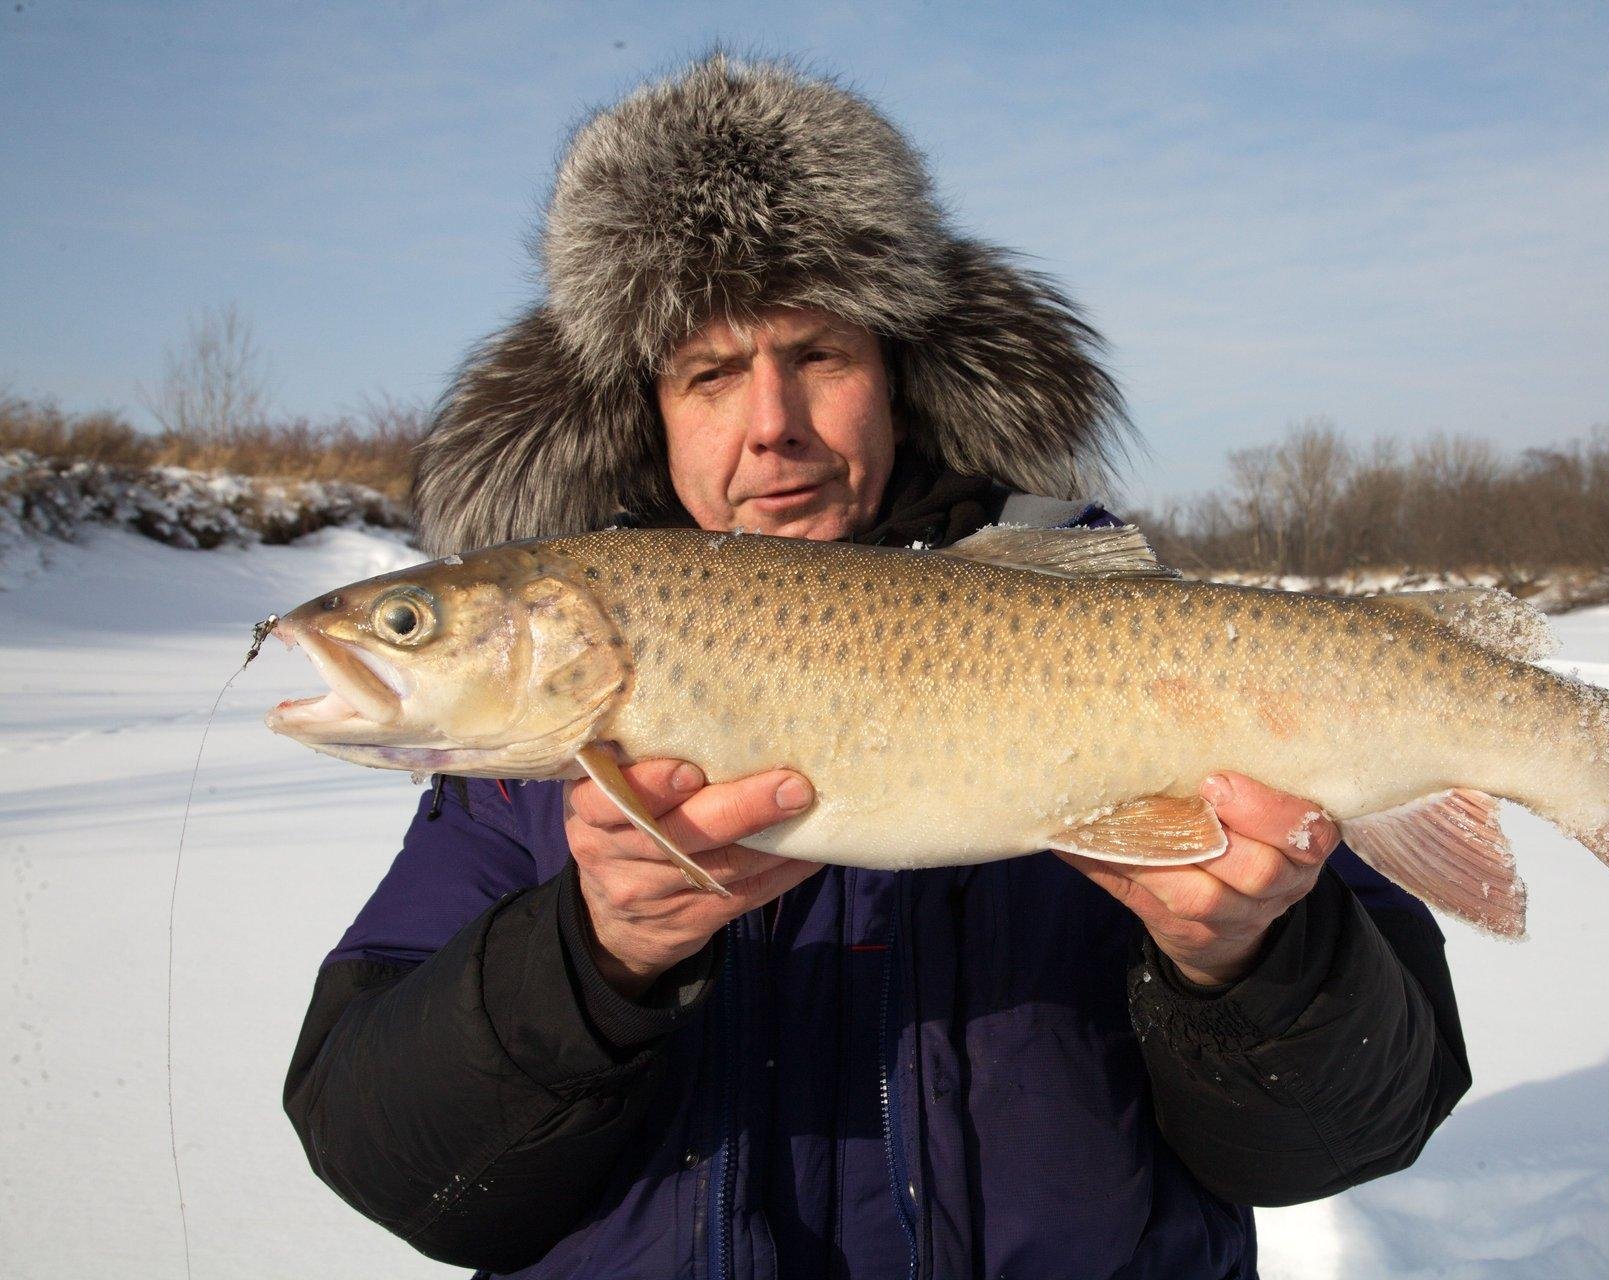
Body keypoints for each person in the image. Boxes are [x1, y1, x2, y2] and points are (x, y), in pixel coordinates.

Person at [285, 54, 1470, 1279]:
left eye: (819, 355)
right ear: (649, 413)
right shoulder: (515, 773)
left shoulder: (1124, 625)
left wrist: (1251, 960)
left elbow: (1361, 1124)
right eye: (708, 373)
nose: (771, 422)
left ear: (899, 378)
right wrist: (592, 958)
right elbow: (391, 1166)